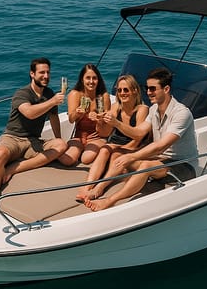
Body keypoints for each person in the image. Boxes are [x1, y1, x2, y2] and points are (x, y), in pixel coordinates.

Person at [85, 67, 198, 211]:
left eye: (152, 88)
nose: (148, 92)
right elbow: (139, 133)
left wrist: (132, 157)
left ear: (166, 89)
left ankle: (109, 201)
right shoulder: (154, 109)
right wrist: (116, 123)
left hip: (183, 165)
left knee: (144, 165)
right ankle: (99, 187)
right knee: (119, 155)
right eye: (147, 88)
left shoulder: (182, 113)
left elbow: (160, 146)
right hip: (160, 160)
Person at [0, 57, 68, 205]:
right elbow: (29, 112)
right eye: (42, 72)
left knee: (61, 145)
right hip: (13, 138)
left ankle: (14, 168)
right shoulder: (22, 93)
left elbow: (54, 117)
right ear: (32, 74)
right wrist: (53, 101)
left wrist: (58, 139)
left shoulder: (49, 93)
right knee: (0, 153)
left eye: (48, 72)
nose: (46, 76)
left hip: (33, 141)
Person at [75, 74, 149, 202]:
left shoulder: (142, 109)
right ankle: (87, 186)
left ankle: (100, 188)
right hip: (116, 142)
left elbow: (138, 137)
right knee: (104, 150)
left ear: (135, 91)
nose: (122, 93)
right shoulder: (116, 107)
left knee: (115, 154)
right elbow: (104, 133)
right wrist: (99, 121)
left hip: (134, 145)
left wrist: (117, 127)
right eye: (119, 90)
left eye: (126, 90)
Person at [58, 64, 112, 166]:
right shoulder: (75, 94)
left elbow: (107, 128)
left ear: (98, 80)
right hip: (79, 136)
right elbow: (71, 119)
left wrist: (99, 120)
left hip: (97, 137)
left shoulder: (104, 96)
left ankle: (90, 153)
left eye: (94, 78)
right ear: (82, 80)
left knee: (86, 159)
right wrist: (77, 113)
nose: (91, 81)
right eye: (88, 78)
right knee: (67, 160)